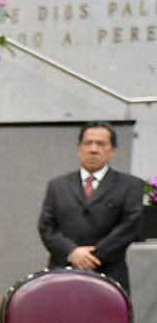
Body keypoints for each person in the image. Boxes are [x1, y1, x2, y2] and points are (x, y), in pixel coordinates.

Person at [38, 121, 145, 293]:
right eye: (88, 143)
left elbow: (130, 226)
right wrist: (72, 252)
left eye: (101, 144)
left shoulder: (131, 185)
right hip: (63, 272)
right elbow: (46, 227)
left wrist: (92, 256)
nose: (93, 149)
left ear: (112, 150)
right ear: (79, 148)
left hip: (110, 274)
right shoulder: (57, 186)